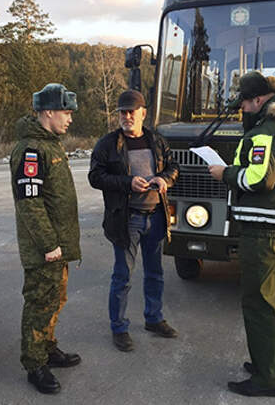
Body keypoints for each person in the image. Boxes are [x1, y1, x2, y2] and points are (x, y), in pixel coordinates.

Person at [208, 71, 275, 397]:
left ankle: (267, 379)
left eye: (245, 102)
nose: (243, 109)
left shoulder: (267, 132)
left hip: (262, 230)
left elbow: (259, 180)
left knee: (259, 303)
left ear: (257, 101)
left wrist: (223, 172)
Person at [88, 89, 180, 352]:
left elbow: (173, 168)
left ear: (143, 113)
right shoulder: (108, 144)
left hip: (157, 217)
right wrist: (127, 183)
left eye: (131, 111)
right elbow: (95, 177)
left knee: (155, 273)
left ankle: (154, 319)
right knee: (123, 276)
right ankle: (119, 327)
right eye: (122, 112)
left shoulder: (157, 141)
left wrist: (164, 178)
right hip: (126, 220)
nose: (126, 116)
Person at [10, 83, 82, 395]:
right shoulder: (30, 150)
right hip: (45, 250)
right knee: (40, 303)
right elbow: (30, 203)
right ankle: (34, 364)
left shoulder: (50, 144)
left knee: (55, 299)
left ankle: (48, 348)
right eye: (66, 112)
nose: (70, 119)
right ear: (48, 112)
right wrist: (49, 245)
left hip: (58, 247)